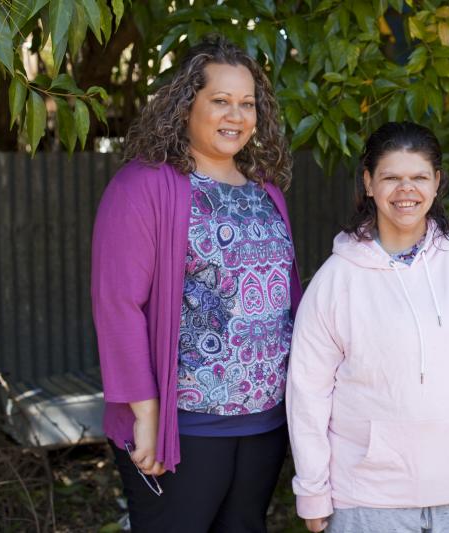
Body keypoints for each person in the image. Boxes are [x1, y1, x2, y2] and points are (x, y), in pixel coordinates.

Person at [286, 121, 449, 533]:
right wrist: (313, 489)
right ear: (369, 183)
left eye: (419, 177)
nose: (406, 190)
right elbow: (308, 391)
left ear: (437, 182)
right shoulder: (337, 280)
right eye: (391, 177)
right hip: (370, 498)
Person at [91, 35, 300, 532]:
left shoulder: (265, 189)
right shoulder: (143, 186)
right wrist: (145, 415)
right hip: (182, 424)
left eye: (247, 104)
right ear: (187, 105)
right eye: (221, 101)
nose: (236, 115)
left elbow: (286, 296)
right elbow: (117, 303)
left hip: (263, 420)